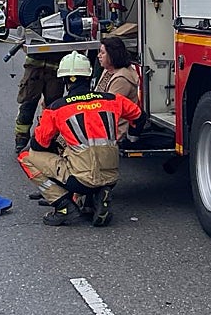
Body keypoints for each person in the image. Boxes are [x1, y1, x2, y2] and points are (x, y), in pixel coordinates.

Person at [18, 51, 142, 227]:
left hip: (80, 179)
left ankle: (63, 206)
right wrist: (131, 138)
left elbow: (39, 144)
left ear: (65, 80)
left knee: (25, 156)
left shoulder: (57, 108)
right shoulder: (113, 99)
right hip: (111, 176)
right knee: (84, 157)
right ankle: (95, 196)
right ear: (89, 77)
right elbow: (139, 117)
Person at [12, 0, 68, 154]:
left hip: (45, 64)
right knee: (32, 104)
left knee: (45, 105)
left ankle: (39, 139)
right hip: (44, 64)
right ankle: (26, 139)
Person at [95, 36, 139, 138]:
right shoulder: (108, 70)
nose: (98, 56)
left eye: (102, 53)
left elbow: (108, 110)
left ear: (112, 55)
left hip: (116, 132)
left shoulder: (121, 79)